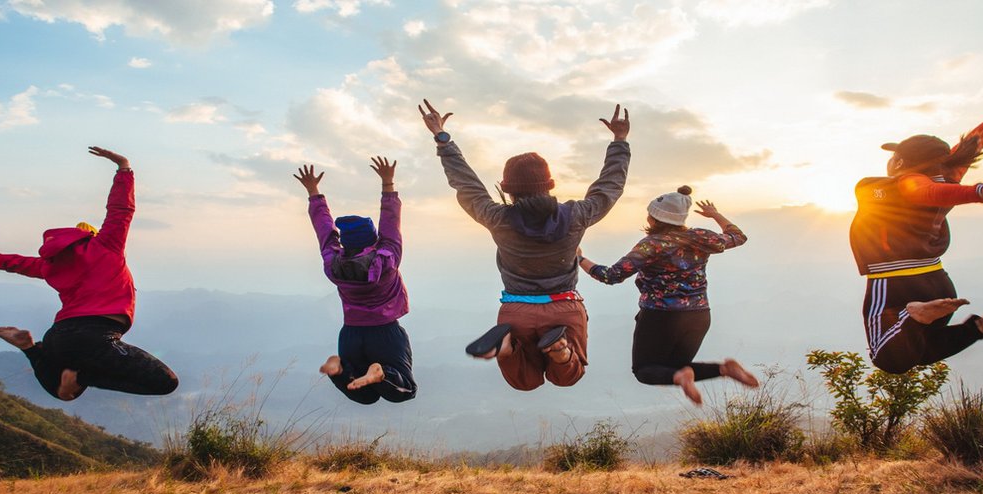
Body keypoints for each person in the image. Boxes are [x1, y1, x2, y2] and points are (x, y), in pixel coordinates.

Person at [418, 99, 630, 391]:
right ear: (550, 184)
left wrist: (442, 138)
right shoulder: (576, 215)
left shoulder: (497, 218)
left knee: (524, 382)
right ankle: (561, 352)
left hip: (516, 309)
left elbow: (466, 185)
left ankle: (506, 348)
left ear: (507, 189)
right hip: (563, 306)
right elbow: (610, 187)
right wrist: (619, 140)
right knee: (568, 377)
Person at [850, 80, 983, 374]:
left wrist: (981, 192)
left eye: (894, 156)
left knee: (887, 358)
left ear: (899, 161)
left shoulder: (899, 185)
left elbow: (923, 191)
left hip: (894, 283)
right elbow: (975, 142)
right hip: (936, 280)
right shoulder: (948, 176)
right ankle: (980, 327)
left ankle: (915, 315)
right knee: (919, 350)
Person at [0, 146, 178, 401]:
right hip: (96, 336)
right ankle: (72, 371)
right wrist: (124, 168)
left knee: (64, 392)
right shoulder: (106, 245)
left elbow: (11, 262)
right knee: (165, 382)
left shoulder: (49, 264)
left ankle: (32, 349)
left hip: (60, 338)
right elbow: (120, 210)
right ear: (91, 235)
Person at [578, 187, 758, 405]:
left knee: (644, 371)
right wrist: (715, 215)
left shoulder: (652, 244)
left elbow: (611, 276)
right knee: (674, 368)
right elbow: (738, 237)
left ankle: (692, 376)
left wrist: (580, 259)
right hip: (699, 315)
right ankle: (724, 369)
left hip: (660, 316)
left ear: (653, 218)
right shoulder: (701, 237)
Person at [296, 158, 417, 405]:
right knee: (404, 388)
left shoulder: (334, 263)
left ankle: (339, 369)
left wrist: (313, 192)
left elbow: (325, 231)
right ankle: (381, 372)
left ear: (345, 243)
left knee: (365, 396)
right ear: (373, 239)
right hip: (385, 332)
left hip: (350, 335)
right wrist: (387, 182)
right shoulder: (387, 258)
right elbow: (390, 222)